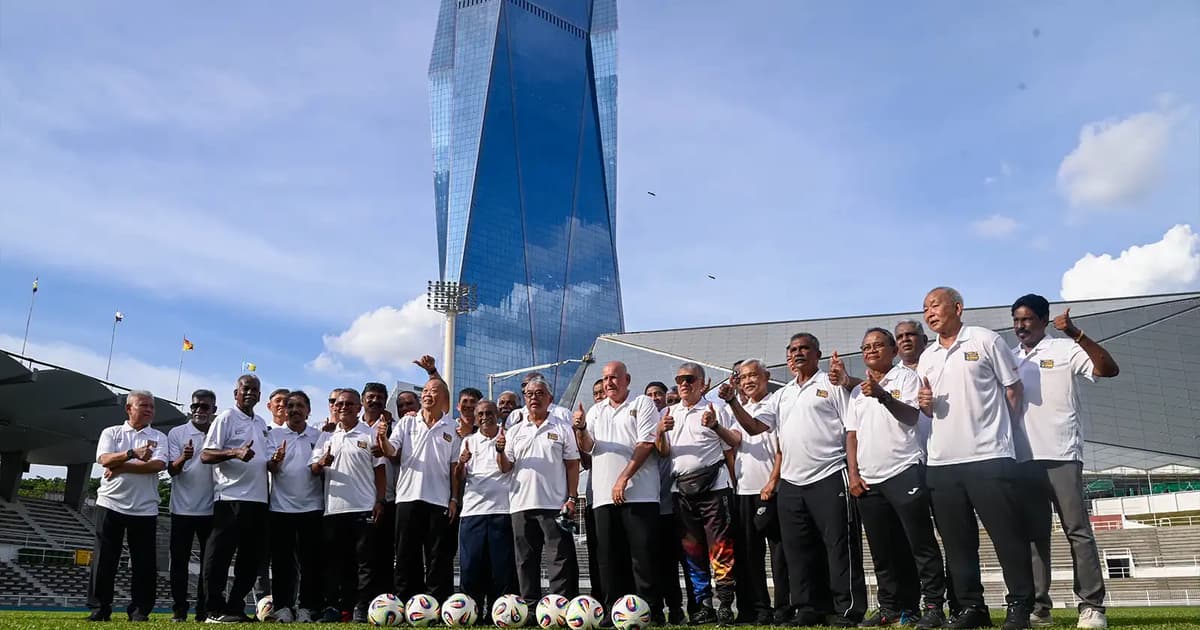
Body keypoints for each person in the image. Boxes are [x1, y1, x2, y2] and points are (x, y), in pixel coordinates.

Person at [721, 333, 867, 627]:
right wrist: (733, 401)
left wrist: (853, 471)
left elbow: (853, 425)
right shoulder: (783, 394)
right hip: (791, 482)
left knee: (838, 546)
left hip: (829, 474)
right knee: (797, 550)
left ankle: (847, 609)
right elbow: (752, 427)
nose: (797, 354)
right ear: (787, 358)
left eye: (804, 349)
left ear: (818, 354)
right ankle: (807, 608)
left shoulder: (832, 383)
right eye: (792, 350)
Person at [916, 287, 1032, 630]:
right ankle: (971, 608)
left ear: (958, 307)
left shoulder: (985, 340)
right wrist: (925, 404)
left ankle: (1019, 607)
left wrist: (999, 433)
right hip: (941, 463)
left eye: (935, 305)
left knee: (1006, 537)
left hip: (989, 456)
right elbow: (927, 408)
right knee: (957, 544)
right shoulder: (928, 356)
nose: (929, 313)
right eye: (925, 308)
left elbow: (1013, 389)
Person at [1010, 294, 1118, 630]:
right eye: (1016, 320)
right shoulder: (1009, 358)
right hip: (1022, 458)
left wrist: (1076, 333)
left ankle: (1091, 605)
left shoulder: (1065, 349)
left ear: (1043, 320)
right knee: (1032, 535)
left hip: (1062, 454)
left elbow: (1107, 369)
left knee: (1077, 531)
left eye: (1026, 319)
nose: (1020, 326)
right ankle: (1040, 607)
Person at [844, 329, 946, 628]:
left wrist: (884, 395)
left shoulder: (906, 378)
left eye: (878, 345)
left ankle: (934, 606)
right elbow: (852, 436)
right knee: (882, 550)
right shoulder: (856, 393)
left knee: (920, 544)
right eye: (866, 347)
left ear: (892, 350)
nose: (872, 350)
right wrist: (853, 473)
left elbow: (913, 417)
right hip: (868, 480)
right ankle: (891, 607)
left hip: (903, 469)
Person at [575, 362, 662, 621]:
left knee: (642, 558)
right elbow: (589, 447)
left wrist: (623, 479)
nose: (609, 383)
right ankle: (615, 612)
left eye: (614, 377)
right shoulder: (595, 410)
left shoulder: (642, 403)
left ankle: (651, 612)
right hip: (603, 497)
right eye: (605, 379)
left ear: (627, 379)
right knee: (608, 559)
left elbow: (647, 443)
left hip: (640, 494)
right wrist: (580, 428)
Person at [663, 362, 740, 626]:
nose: (684, 383)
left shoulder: (716, 408)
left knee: (721, 548)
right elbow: (662, 452)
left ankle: (726, 605)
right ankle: (703, 604)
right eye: (679, 379)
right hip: (681, 490)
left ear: (703, 384)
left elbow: (734, 442)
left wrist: (716, 425)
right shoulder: (669, 412)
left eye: (690, 379)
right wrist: (661, 431)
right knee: (692, 550)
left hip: (715, 489)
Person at [497, 376, 581, 602]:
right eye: (530, 394)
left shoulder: (562, 428)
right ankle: (531, 606)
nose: (534, 398)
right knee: (525, 560)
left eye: (540, 393)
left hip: (554, 504)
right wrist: (499, 451)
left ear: (550, 398)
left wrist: (572, 498)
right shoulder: (514, 431)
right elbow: (506, 467)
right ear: (524, 398)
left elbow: (573, 465)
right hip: (521, 504)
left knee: (558, 559)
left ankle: (559, 605)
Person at [87, 390, 168, 622]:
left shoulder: (159, 437)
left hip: (145, 507)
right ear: (129, 408)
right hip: (110, 502)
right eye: (144, 405)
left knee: (144, 563)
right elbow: (103, 459)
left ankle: (140, 611)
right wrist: (132, 453)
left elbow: (158, 465)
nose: (149, 410)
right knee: (104, 560)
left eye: (152, 406)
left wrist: (122, 466)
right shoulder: (112, 432)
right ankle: (100, 608)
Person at [383, 377, 462, 603]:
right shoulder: (407, 423)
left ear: (444, 399)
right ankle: (406, 601)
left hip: (439, 500)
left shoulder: (452, 429)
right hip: (408, 497)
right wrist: (381, 437)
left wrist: (454, 498)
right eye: (425, 390)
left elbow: (454, 467)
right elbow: (391, 450)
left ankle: (436, 603)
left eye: (433, 390)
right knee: (406, 554)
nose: (427, 394)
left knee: (438, 557)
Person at [311, 389, 386, 623]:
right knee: (334, 564)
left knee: (364, 564)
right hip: (333, 509)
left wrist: (380, 501)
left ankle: (360, 609)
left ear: (359, 407)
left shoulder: (370, 434)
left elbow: (380, 470)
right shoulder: (326, 437)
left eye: (349, 404)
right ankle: (333, 607)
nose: (343, 407)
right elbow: (313, 469)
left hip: (363, 507)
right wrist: (322, 462)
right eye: (340, 403)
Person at [201, 374, 271, 623]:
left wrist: (276, 460)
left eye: (255, 390)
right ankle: (214, 609)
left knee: (250, 559)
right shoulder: (227, 417)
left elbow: (265, 458)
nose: (250, 393)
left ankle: (235, 607)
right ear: (236, 393)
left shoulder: (262, 423)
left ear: (260, 396)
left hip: (259, 500)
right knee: (219, 555)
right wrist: (234, 452)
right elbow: (206, 455)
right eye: (246, 389)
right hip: (230, 497)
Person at [728, 360, 790, 626]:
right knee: (748, 555)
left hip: (771, 490)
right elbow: (733, 445)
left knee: (780, 555)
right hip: (743, 491)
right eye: (744, 377)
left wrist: (772, 480)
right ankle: (756, 609)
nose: (749, 381)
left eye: (754, 375)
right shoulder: (737, 410)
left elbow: (781, 448)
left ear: (767, 376)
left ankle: (784, 609)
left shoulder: (777, 403)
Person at [452, 400, 517, 622]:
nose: (484, 417)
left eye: (489, 412)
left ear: (497, 414)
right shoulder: (468, 441)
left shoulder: (508, 437)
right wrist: (461, 463)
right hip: (473, 512)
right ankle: (472, 612)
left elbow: (506, 467)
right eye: (480, 414)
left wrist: (500, 450)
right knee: (471, 566)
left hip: (502, 510)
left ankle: (499, 614)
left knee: (501, 568)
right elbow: (459, 478)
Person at [265, 391, 324, 623]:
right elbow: (271, 467)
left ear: (308, 410)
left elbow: (319, 468)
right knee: (281, 564)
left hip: (312, 507)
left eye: (299, 406)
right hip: (280, 508)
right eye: (290, 406)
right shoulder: (274, 434)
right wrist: (276, 460)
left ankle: (307, 608)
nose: (293, 410)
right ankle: (282, 607)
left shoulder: (318, 436)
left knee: (310, 563)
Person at [167, 389, 218, 622]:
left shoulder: (219, 433)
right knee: (179, 562)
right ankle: (179, 608)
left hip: (211, 509)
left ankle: (203, 610)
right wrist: (183, 458)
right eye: (195, 406)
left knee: (209, 565)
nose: (199, 411)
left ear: (213, 410)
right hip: (182, 509)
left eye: (204, 407)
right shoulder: (178, 433)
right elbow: (171, 470)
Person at [644, 381, 688, 625]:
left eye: (659, 394)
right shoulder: (642, 423)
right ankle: (656, 610)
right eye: (649, 394)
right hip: (650, 504)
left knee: (675, 561)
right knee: (654, 562)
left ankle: (678, 608)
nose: (655, 398)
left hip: (674, 503)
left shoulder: (674, 420)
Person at [361, 382, 397, 601]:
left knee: (384, 556)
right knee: (361, 558)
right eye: (371, 397)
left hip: (388, 500)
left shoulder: (395, 427)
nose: (375, 401)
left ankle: (384, 602)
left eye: (380, 398)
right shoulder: (352, 426)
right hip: (360, 501)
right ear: (363, 399)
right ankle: (359, 602)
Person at [581, 379, 609, 610]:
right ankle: (599, 597)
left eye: (602, 392)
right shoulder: (591, 420)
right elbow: (586, 460)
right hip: (595, 497)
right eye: (596, 393)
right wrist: (580, 432)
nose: (599, 396)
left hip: (621, 496)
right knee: (598, 552)